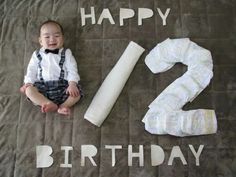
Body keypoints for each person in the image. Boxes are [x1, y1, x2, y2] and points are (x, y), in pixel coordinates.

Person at [20, 20, 82, 116]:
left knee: (76, 94)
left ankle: (63, 106)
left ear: (63, 39)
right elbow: (31, 69)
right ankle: (46, 102)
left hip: (63, 87)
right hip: (42, 87)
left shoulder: (67, 53)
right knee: (29, 91)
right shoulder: (36, 54)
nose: (52, 39)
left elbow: (72, 69)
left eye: (57, 36)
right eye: (47, 37)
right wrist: (28, 83)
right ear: (40, 41)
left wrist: (72, 84)